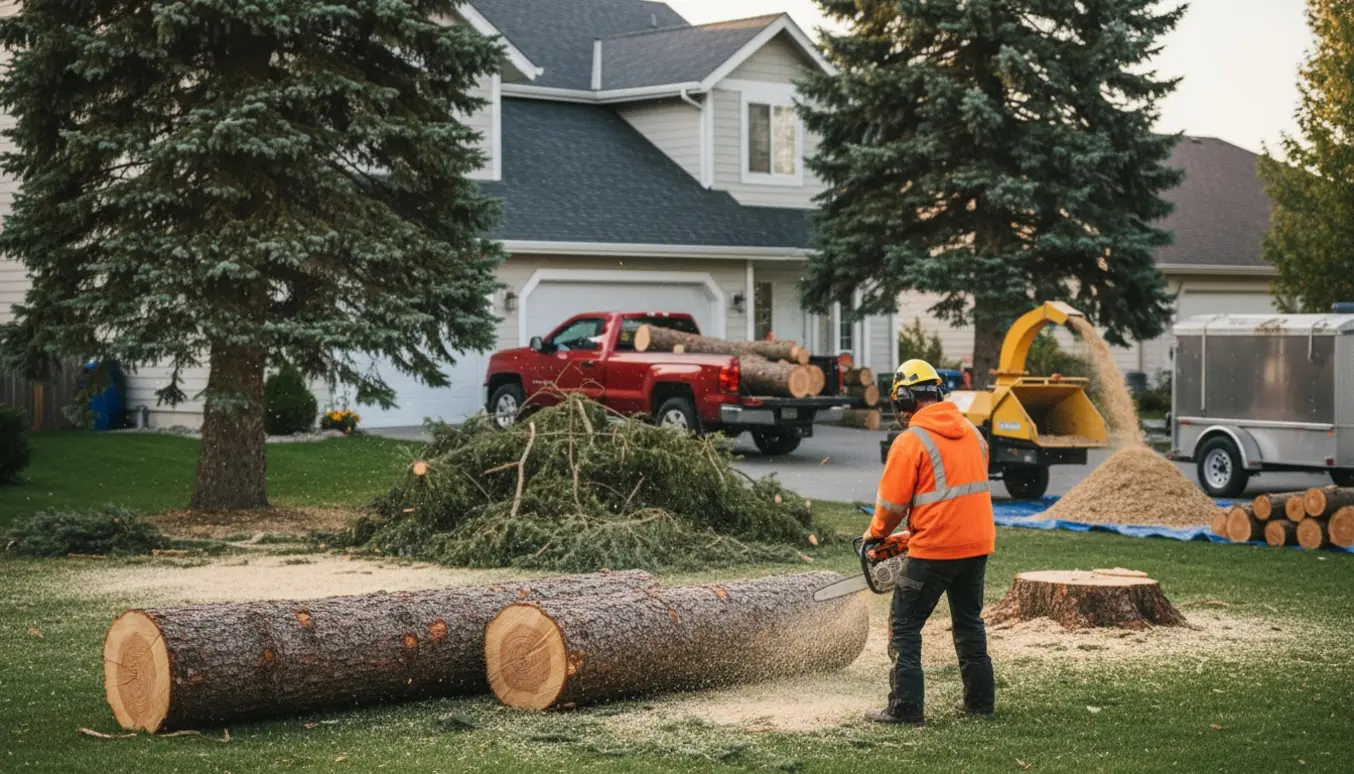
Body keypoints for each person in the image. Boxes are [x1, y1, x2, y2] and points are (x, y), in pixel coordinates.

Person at [864, 358, 996, 725]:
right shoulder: (973, 434)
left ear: (904, 400)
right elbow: (953, 498)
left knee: (904, 625)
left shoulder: (911, 442)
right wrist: (914, 531)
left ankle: (905, 708)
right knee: (969, 622)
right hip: (976, 545)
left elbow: (891, 506)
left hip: (935, 552)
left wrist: (876, 535)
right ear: (937, 392)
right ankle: (980, 702)